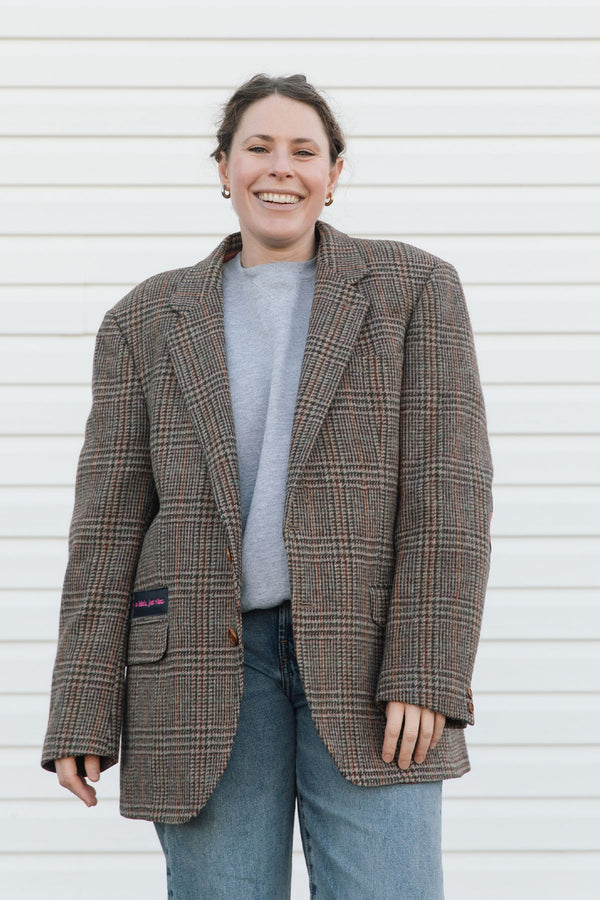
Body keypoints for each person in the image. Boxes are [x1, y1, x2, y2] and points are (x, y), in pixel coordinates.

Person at [41, 73, 493, 899]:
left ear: (334, 172)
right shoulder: (143, 322)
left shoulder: (413, 291)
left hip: (369, 659)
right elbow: (104, 531)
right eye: (257, 148)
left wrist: (427, 668)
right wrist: (81, 707)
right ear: (222, 167)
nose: (278, 168)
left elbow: (449, 496)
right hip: (199, 667)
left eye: (303, 151)